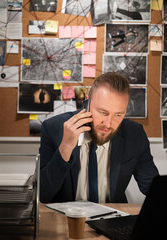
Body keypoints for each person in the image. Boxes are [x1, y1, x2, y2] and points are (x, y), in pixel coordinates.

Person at [39, 72, 159, 203]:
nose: (108, 124)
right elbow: (43, 194)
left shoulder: (135, 134)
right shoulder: (53, 128)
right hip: (67, 219)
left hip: (113, 218)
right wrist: (65, 147)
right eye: (103, 112)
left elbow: (152, 187)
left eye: (118, 115)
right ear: (87, 102)